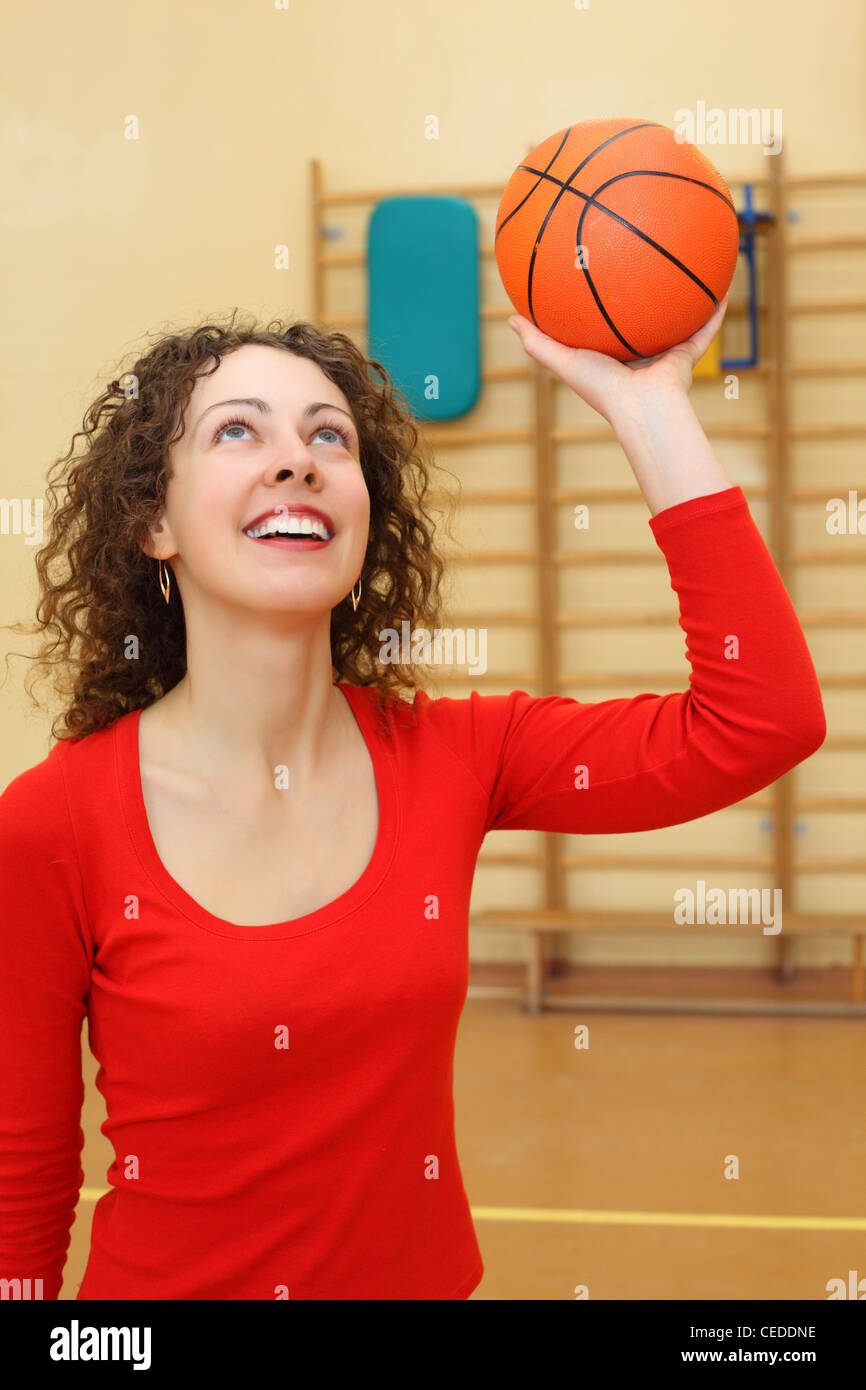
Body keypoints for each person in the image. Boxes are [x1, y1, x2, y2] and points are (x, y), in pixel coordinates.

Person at [0, 301, 825, 1300]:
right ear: (153, 521)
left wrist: (648, 411)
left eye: (328, 436)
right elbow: (23, 1179)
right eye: (237, 429)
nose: (296, 460)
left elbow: (758, 720)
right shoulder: (53, 821)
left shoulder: (456, 754)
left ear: (361, 512)